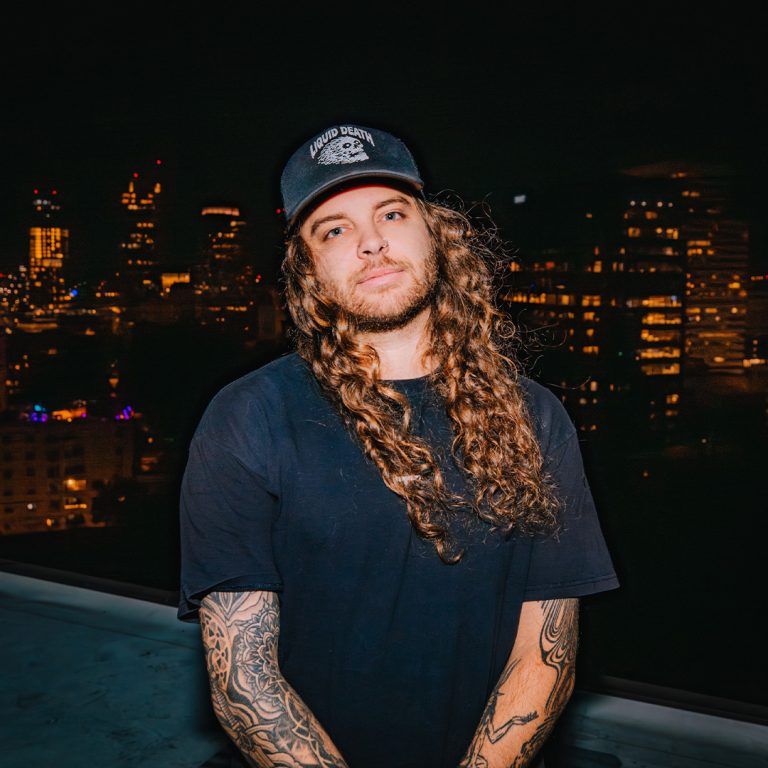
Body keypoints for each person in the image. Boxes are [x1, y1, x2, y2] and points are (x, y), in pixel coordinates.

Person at [178, 123, 619, 768]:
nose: (371, 242)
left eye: (391, 213)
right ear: (307, 271)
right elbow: (245, 680)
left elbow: (545, 654)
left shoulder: (534, 415)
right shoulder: (249, 416)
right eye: (334, 230)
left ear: (433, 231)